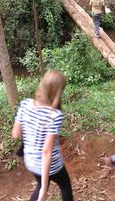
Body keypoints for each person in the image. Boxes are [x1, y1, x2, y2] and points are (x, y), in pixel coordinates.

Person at [12, 70, 73, 201]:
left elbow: (16, 134)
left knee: (39, 186)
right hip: (51, 164)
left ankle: (41, 188)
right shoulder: (54, 115)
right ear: (58, 92)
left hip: (31, 161)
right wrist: (45, 189)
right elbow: (46, 152)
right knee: (65, 186)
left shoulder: (25, 104)